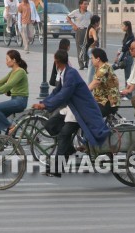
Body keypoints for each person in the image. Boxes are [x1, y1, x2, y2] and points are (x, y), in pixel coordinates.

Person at [33, 49, 110, 177]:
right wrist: (44, 102)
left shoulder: (71, 74)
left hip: (81, 110)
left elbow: (63, 95)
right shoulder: (64, 72)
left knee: (64, 135)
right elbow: (57, 92)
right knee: (50, 124)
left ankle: (57, 168)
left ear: (56, 61)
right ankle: (69, 149)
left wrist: (46, 105)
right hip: (71, 108)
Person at [88, 48, 120, 117]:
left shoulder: (104, 69)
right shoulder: (101, 67)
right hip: (101, 100)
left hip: (108, 102)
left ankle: (99, 128)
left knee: (90, 115)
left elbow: (95, 82)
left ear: (98, 59)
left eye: (92, 58)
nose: (91, 60)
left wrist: (82, 91)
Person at [112, 21, 135, 100]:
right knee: (111, 68)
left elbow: (125, 48)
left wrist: (118, 55)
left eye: (123, 26)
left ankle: (128, 95)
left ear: (127, 27)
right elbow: (123, 48)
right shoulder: (127, 35)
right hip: (124, 57)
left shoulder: (131, 36)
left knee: (127, 77)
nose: (122, 27)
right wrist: (118, 57)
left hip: (127, 58)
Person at [67, 0, 92, 70]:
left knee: (88, 47)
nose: (86, 5)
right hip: (79, 31)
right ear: (80, 5)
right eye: (85, 4)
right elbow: (68, 17)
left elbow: (93, 21)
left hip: (87, 31)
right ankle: (81, 64)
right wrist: (73, 25)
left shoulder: (89, 13)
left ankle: (87, 63)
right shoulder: (75, 12)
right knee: (80, 48)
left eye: (87, 4)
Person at [86, 15, 100, 84]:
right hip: (92, 50)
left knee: (92, 68)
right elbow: (95, 39)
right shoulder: (92, 30)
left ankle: (91, 84)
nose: (99, 23)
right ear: (96, 22)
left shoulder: (90, 28)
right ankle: (89, 86)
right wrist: (93, 45)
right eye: (98, 22)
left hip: (90, 50)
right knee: (91, 69)